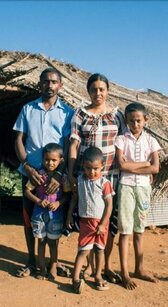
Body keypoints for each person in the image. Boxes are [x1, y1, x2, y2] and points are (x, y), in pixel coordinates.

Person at [13, 68, 74, 278]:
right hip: (31, 173)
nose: (50, 85)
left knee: (55, 216)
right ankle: (32, 261)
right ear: (39, 84)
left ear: (60, 85)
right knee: (30, 217)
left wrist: (60, 174)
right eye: (46, 81)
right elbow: (18, 139)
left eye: (54, 82)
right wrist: (27, 167)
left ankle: (53, 263)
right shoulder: (28, 109)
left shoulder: (67, 112)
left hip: (55, 176)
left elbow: (68, 145)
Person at [68, 73, 126, 283]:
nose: (98, 93)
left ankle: (105, 267)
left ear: (107, 90)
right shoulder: (80, 115)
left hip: (111, 176)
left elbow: (124, 143)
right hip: (87, 177)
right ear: (88, 91)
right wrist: (71, 172)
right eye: (94, 89)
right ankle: (90, 267)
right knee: (88, 219)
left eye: (102, 89)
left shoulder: (117, 115)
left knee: (107, 222)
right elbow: (74, 145)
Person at [115, 102, 161, 290]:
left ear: (145, 120)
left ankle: (139, 269)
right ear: (126, 121)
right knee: (125, 231)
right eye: (131, 121)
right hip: (126, 187)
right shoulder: (121, 140)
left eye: (139, 120)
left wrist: (133, 165)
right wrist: (144, 164)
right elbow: (121, 166)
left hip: (143, 189)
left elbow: (156, 168)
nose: (135, 124)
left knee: (139, 230)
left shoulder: (151, 141)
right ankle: (125, 272)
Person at [67, 146, 113, 293]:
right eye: (88, 168)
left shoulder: (104, 183)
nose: (92, 172)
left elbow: (109, 205)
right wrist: (69, 216)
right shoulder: (79, 180)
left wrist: (103, 223)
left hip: (100, 223)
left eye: (96, 169)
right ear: (83, 166)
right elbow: (74, 199)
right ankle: (75, 279)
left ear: (102, 166)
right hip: (86, 223)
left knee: (99, 250)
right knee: (83, 251)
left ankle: (98, 275)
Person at [24, 143, 70, 281]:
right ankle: (42, 268)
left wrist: (58, 203)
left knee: (53, 242)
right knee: (41, 241)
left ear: (61, 160)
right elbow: (27, 191)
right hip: (39, 214)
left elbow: (68, 194)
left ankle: (53, 267)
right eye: (47, 160)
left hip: (55, 215)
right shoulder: (38, 175)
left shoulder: (63, 178)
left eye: (54, 160)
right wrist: (38, 201)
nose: (50, 163)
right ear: (43, 159)